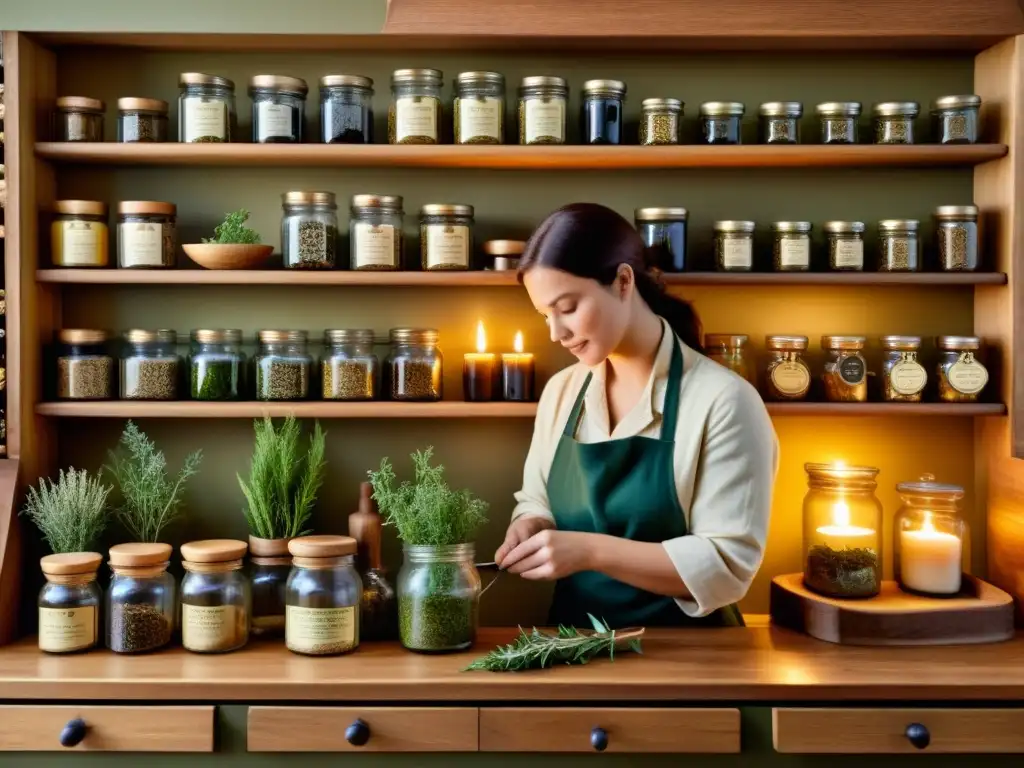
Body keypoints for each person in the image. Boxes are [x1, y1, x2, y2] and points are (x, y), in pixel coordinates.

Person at [494, 203, 778, 628]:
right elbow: (537, 497)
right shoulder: (562, 392)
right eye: (544, 315)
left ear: (623, 280)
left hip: (692, 663)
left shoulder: (724, 400)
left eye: (568, 307)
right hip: (575, 649)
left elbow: (726, 566)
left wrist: (589, 552)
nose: (556, 332)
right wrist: (532, 522)